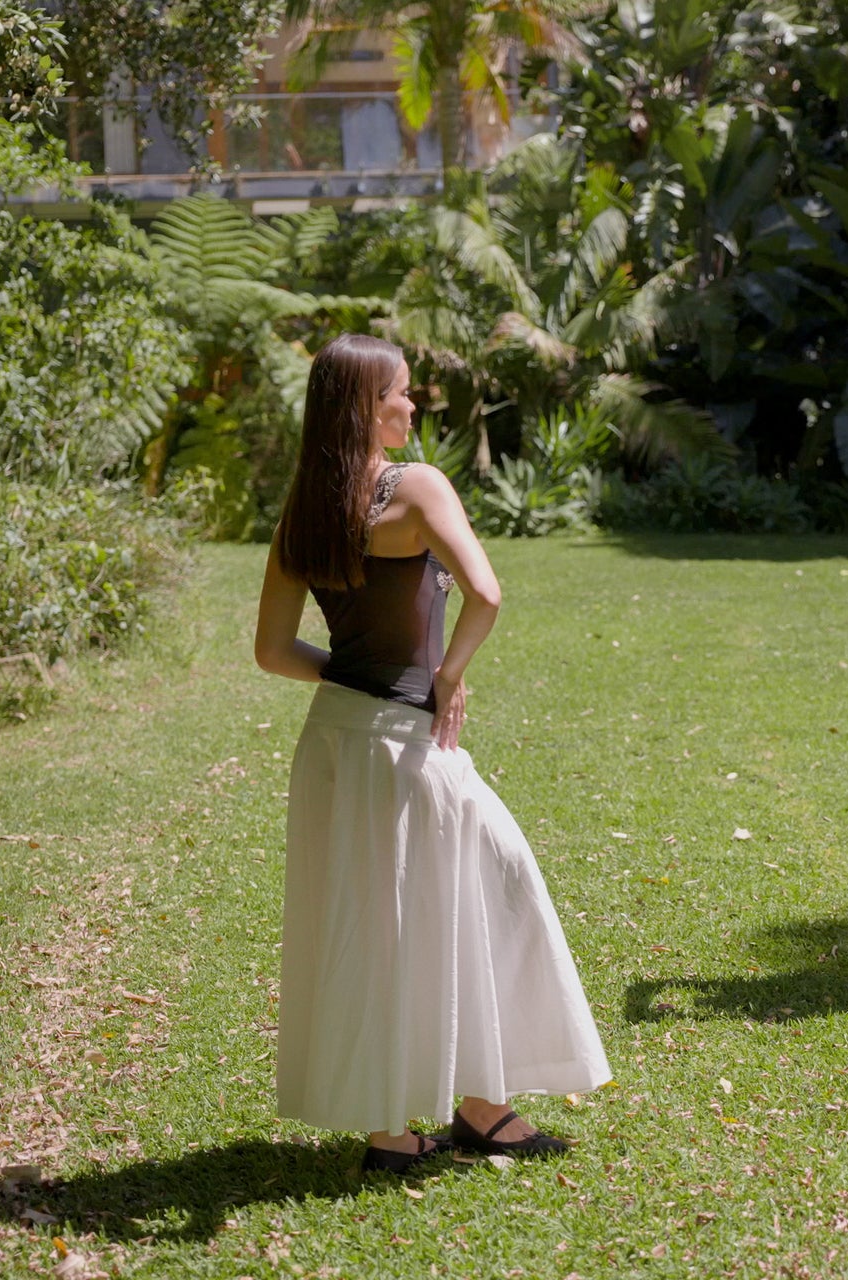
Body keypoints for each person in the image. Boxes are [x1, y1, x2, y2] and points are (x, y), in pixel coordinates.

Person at [253, 333, 611, 1173]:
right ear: (365, 407)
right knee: (499, 887)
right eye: (401, 394)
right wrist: (449, 675)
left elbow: (272, 651)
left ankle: (400, 1130)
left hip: (336, 741)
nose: (412, 406)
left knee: (374, 926)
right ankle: (478, 1112)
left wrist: (352, 679)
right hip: (409, 745)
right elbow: (485, 592)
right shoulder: (416, 487)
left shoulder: (305, 510)